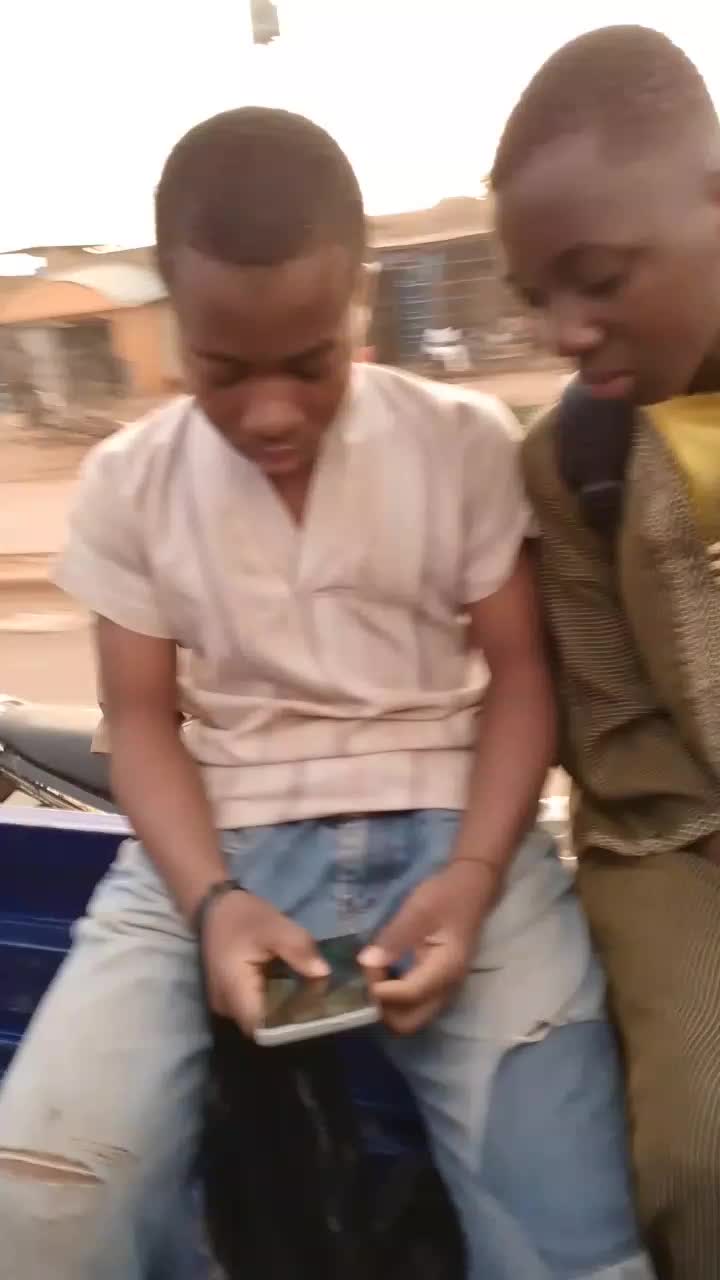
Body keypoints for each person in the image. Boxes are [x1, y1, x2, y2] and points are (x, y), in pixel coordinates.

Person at [0, 107, 652, 1280]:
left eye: (310, 363)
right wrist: (211, 904)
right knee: (38, 1213)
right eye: (221, 369)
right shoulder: (127, 485)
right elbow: (141, 718)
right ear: (174, 320)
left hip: (458, 836)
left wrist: (473, 875)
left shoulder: (459, 442)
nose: (270, 413)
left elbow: (519, 675)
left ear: (359, 300)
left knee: (576, 1253)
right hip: (209, 848)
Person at [491, 24, 720, 1280]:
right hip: (679, 845)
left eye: (598, 278)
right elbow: (620, 743)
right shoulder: (573, 462)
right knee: (699, 1150)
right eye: (538, 296)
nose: (566, 331)